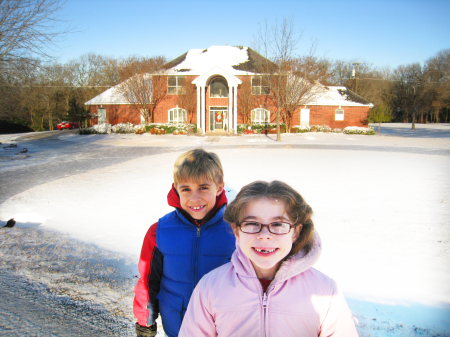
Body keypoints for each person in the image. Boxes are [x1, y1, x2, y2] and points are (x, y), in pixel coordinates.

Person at [179, 180, 359, 337]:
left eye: (278, 224)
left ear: (295, 232)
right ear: (236, 230)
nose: (264, 235)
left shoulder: (325, 291)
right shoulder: (210, 288)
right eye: (251, 224)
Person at [133, 149, 236, 337]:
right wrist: (144, 320)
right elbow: (148, 279)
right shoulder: (159, 231)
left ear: (220, 187)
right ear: (176, 189)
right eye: (186, 189)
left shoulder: (237, 230)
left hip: (224, 327)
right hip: (177, 325)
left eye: (203, 188)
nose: (194, 198)